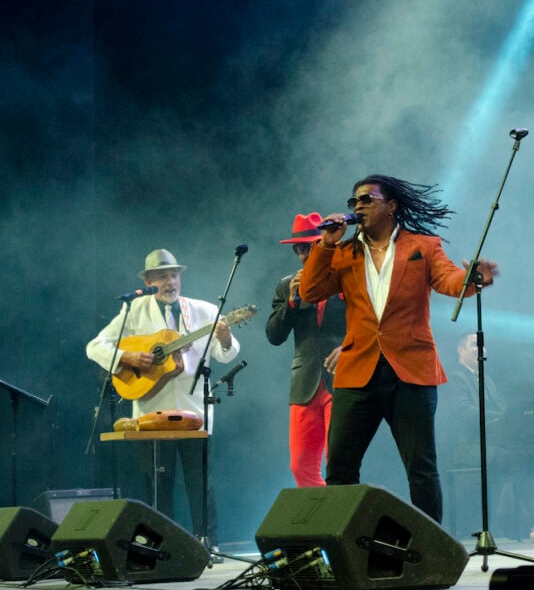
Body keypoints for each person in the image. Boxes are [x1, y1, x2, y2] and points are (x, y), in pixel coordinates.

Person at [299, 174, 499, 523]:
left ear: (390, 205)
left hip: (411, 370)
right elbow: (310, 291)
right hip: (358, 370)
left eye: (367, 199)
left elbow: (450, 280)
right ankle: (344, 544)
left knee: (421, 468)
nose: (358, 206)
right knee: (340, 468)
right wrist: (326, 244)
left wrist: (473, 278)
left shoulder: (423, 246)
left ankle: (429, 546)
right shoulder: (343, 252)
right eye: (354, 201)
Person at [86, 249, 240, 554]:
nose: (170, 282)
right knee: (158, 483)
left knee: (200, 482)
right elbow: (95, 346)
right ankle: (162, 547)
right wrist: (126, 357)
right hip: (151, 412)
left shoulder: (205, 310)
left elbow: (226, 353)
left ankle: (207, 544)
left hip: (194, 410)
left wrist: (225, 339)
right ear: (148, 281)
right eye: (162, 276)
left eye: (174, 275)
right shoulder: (134, 310)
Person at [266, 213, 346, 487]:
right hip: (305, 383)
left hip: (342, 378)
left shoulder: (346, 278)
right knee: (300, 465)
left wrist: (349, 348)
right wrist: (291, 302)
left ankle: (341, 513)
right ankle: (323, 511)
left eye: (309, 247)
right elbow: (274, 336)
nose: (303, 255)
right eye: (298, 249)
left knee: (338, 461)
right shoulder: (287, 285)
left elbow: (370, 321)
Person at [436, 331, 533, 539]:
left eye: (482, 345)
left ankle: (524, 522)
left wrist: (513, 418)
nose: (480, 349)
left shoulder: (487, 380)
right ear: (460, 350)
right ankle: (508, 522)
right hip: (465, 447)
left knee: (528, 455)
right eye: (474, 344)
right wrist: (502, 418)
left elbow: (501, 410)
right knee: (512, 459)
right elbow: (463, 412)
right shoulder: (455, 377)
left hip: (489, 443)